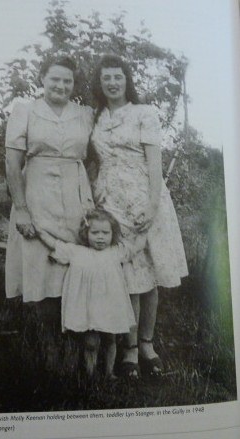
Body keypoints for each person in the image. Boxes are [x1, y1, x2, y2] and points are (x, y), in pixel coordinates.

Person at [90, 54, 188, 379]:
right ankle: (129, 348)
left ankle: (147, 344)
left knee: (149, 276)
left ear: (126, 79)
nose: (112, 83)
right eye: (107, 78)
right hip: (110, 204)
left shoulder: (145, 113)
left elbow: (154, 164)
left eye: (118, 76)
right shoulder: (97, 117)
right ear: (100, 83)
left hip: (145, 199)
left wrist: (151, 205)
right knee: (127, 277)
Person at [5, 55, 94, 370]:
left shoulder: (85, 114)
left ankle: (76, 345)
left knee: (74, 268)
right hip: (37, 194)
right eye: (55, 78)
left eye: (67, 80)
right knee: (41, 270)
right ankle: (50, 350)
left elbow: (97, 156)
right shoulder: (25, 111)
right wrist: (21, 208)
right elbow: (13, 163)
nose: (61, 85)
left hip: (76, 196)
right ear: (42, 78)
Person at [37, 209, 140, 379]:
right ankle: (91, 374)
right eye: (95, 232)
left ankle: (109, 373)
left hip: (109, 305)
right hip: (87, 308)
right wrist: (39, 227)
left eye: (105, 233)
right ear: (86, 233)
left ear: (113, 234)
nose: (100, 237)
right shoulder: (77, 251)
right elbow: (53, 243)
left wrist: (145, 230)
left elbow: (136, 247)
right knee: (90, 342)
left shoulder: (115, 251)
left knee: (110, 339)